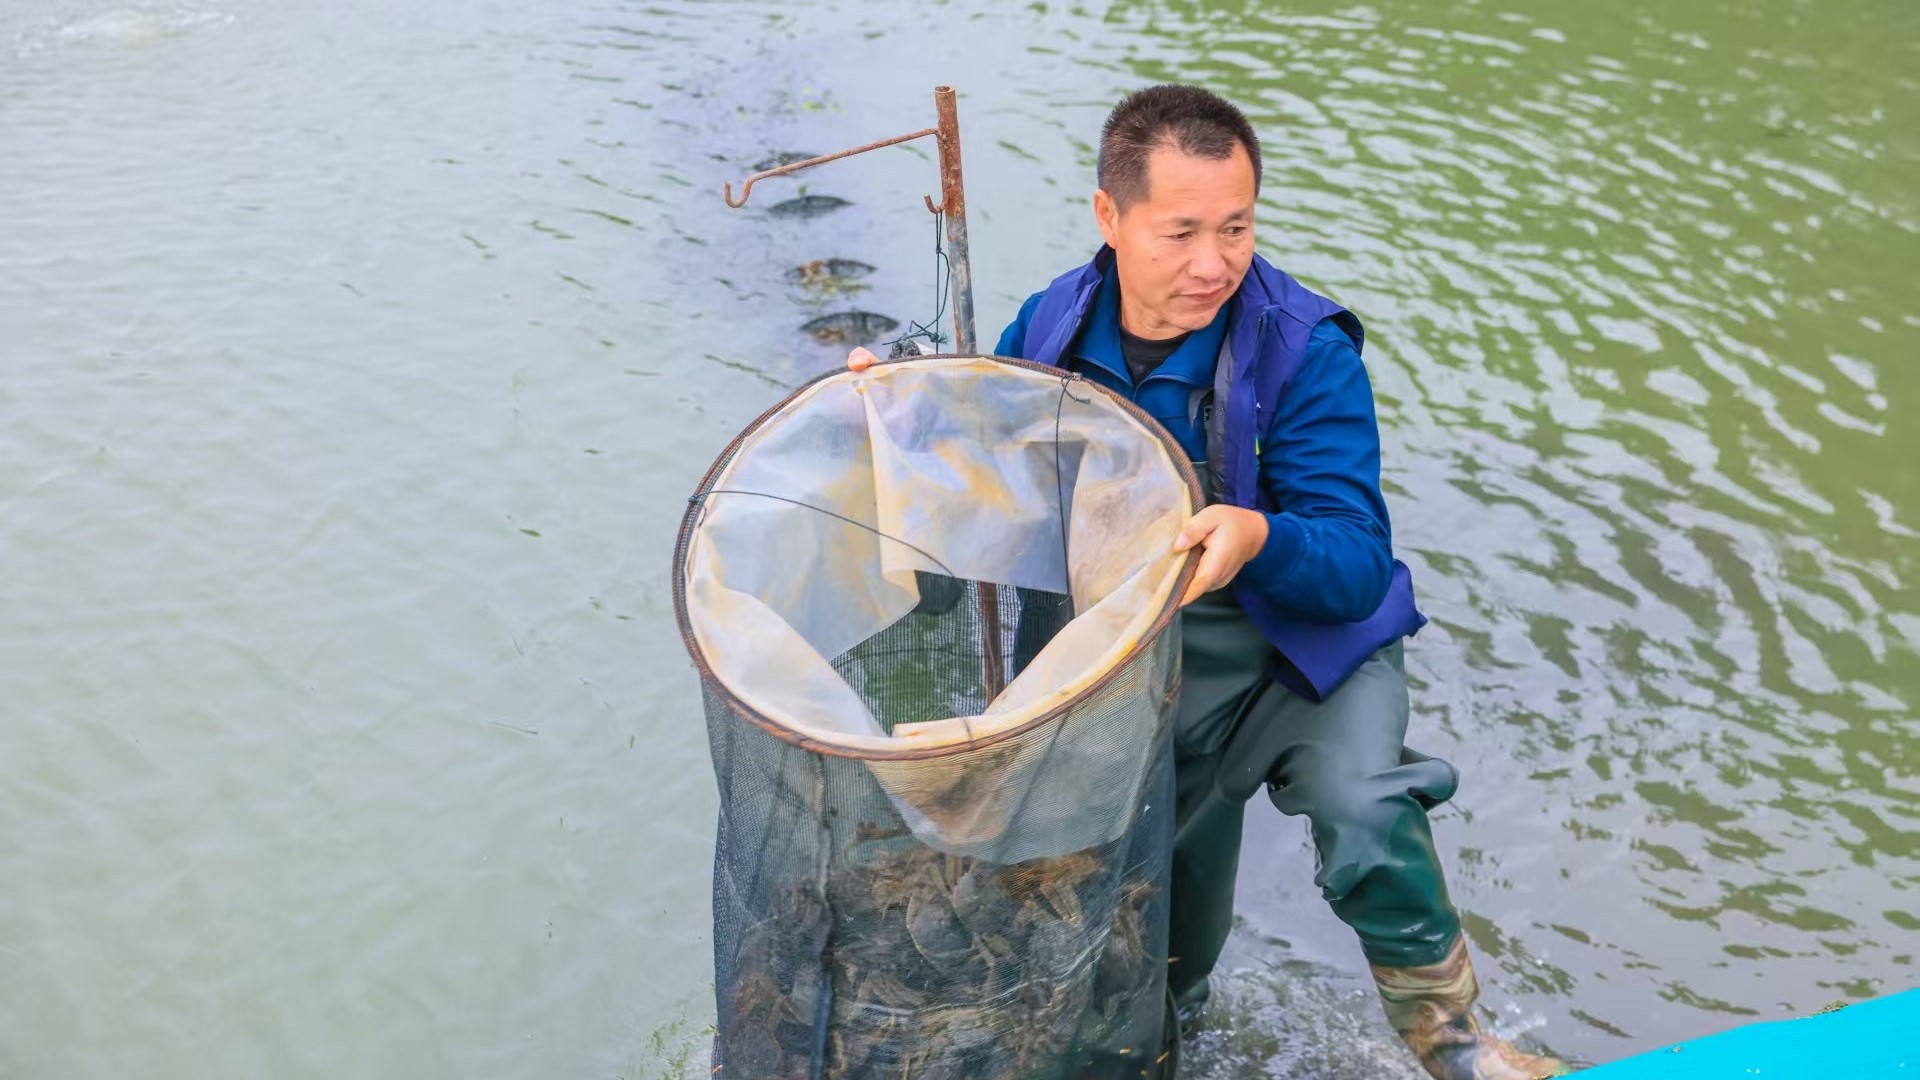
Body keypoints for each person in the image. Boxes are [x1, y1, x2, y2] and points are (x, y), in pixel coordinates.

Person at [848, 85, 1566, 1080]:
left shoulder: (1304, 351)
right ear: (1111, 217)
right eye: (1180, 231)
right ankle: (1166, 1037)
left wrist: (1259, 535)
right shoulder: (1049, 327)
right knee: (1152, 946)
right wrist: (899, 419)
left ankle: (1456, 1046)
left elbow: (1357, 562)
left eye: (1237, 227)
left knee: (1364, 814)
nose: (1212, 263)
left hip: (1299, 657)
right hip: (1138, 675)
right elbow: (988, 492)